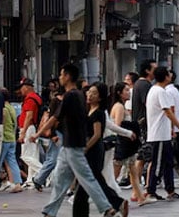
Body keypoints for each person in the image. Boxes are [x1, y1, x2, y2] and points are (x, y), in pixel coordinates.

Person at [34, 63, 120, 217]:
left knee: (87, 178)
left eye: (61, 75)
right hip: (69, 145)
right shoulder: (79, 95)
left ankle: (106, 207)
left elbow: (55, 117)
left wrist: (38, 133)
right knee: (60, 180)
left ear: (67, 76)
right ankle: (49, 211)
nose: (60, 78)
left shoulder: (71, 95)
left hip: (73, 145)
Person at [73, 83, 127, 217]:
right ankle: (114, 204)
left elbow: (97, 134)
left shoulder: (98, 113)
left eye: (94, 93)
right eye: (89, 92)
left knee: (88, 183)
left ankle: (114, 204)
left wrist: (85, 148)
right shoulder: (89, 110)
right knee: (95, 181)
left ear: (100, 98)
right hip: (91, 150)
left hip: (94, 151)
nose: (90, 95)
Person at [144, 66, 179, 200]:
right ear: (166, 77)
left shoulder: (154, 90)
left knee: (168, 162)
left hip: (163, 134)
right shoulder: (160, 91)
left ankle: (170, 190)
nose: (170, 76)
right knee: (158, 164)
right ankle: (151, 190)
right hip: (159, 135)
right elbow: (168, 111)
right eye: (168, 74)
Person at [17, 78, 43, 187]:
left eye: (21, 88)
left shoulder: (30, 99)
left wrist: (23, 133)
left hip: (28, 128)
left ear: (27, 87)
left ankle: (44, 173)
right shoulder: (35, 97)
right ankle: (31, 180)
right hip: (31, 128)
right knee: (33, 155)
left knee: (25, 156)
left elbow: (29, 116)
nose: (20, 90)